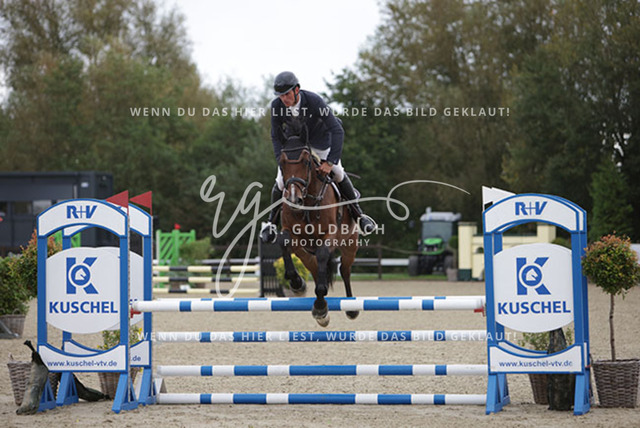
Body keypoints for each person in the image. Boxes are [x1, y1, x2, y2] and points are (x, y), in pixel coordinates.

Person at [260, 71, 377, 243]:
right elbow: (275, 136)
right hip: (296, 146)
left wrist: (330, 162)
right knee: (279, 181)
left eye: (287, 94)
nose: (284, 99)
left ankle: (359, 216)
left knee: (338, 173)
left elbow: (337, 130)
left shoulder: (314, 101)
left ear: (297, 90)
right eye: (280, 95)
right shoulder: (276, 106)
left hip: (320, 144)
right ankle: (271, 223)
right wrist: (281, 161)